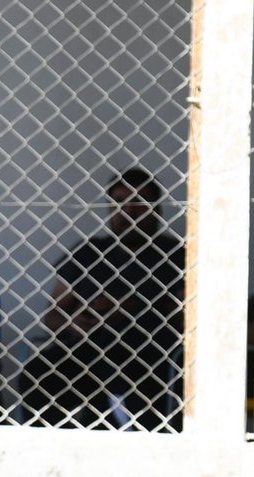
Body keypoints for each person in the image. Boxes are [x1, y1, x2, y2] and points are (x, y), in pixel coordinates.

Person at [22, 167, 185, 431]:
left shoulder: (175, 255)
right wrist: (74, 323)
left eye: (139, 202)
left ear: (157, 209)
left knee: (125, 357)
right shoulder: (89, 253)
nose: (129, 211)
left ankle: (121, 428)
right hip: (86, 347)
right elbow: (53, 314)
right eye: (119, 202)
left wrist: (132, 309)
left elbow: (186, 316)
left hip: (147, 351)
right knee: (38, 371)